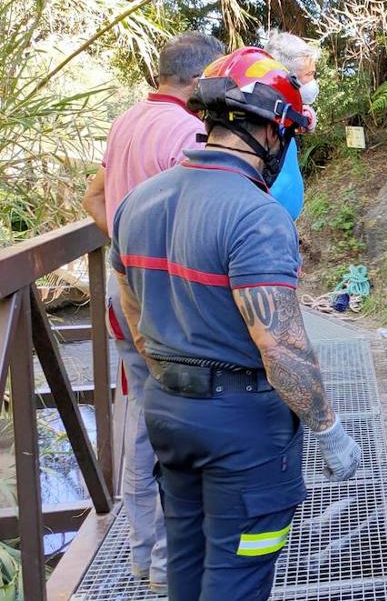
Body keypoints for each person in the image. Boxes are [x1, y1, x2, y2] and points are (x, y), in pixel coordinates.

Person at [109, 47, 361, 601]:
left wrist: (173, 380)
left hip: (169, 417)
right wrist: (329, 430)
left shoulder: (137, 203)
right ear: (272, 132)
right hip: (243, 431)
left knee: (188, 565)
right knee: (238, 577)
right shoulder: (256, 214)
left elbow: (131, 314)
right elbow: (283, 350)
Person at [82, 30, 225, 594]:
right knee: (182, 428)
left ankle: (145, 555)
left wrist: (125, 248)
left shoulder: (127, 122)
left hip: (125, 297)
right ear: (198, 80)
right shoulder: (188, 131)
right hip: (170, 309)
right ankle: (175, 566)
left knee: (143, 426)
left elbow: (94, 198)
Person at [262, 31, 321, 221]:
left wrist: (306, 116)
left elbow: (306, 116)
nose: (312, 82)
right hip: (266, 226)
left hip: (281, 223)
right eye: (308, 75)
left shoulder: (285, 112)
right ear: (288, 77)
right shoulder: (261, 115)